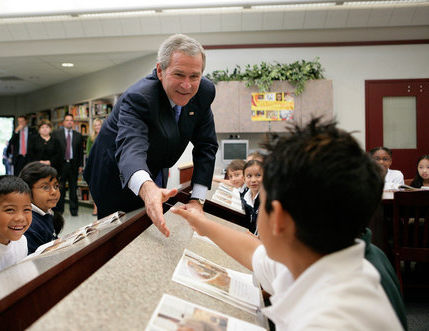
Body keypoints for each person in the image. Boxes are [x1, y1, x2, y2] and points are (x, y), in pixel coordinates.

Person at [171, 118, 402, 330]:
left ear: (278, 217)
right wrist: (202, 223)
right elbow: (254, 252)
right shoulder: (314, 257)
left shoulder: (328, 322)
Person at [84, 34, 218, 237]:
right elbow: (131, 148)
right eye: (179, 74)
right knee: (117, 233)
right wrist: (147, 188)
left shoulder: (204, 92)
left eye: (194, 76)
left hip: (155, 163)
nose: (187, 85)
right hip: (113, 172)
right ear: (160, 71)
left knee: (150, 224)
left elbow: (206, 145)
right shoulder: (139, 97)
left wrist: (196, 200)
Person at [19, 161, 64, 254]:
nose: (54, 192)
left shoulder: (48, 212)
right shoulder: (28, 224)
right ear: (27, 191)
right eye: (45, 187)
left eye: (56, 186)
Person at [53, 114, 84, 216]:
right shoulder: (56, 134)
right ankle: (60, 210)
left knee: (73, 189)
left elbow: (80, 153)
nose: (69, 122)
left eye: (71, 120)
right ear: (64, 122)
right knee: (60, 188)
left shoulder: (78, 135)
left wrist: (80, 165)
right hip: (61, 166)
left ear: (73, 123)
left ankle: (74, 211)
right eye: (67, 120)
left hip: (73, 165)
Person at [86, 118, 103, 216]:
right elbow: (88, 153)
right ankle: (96, 207)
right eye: (95, 125)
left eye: (99, 124)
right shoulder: (90, 138)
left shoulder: (106, 135)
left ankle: (104, 206)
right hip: (94, 165)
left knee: (104, 186)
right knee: (95, 187)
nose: (97, 127)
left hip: (104, 164)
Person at [240, 159, 262, 234]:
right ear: (244, 178)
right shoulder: (246, 196)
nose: (253, 180)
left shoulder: (266, 199)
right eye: (249, 176)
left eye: (258, 175)